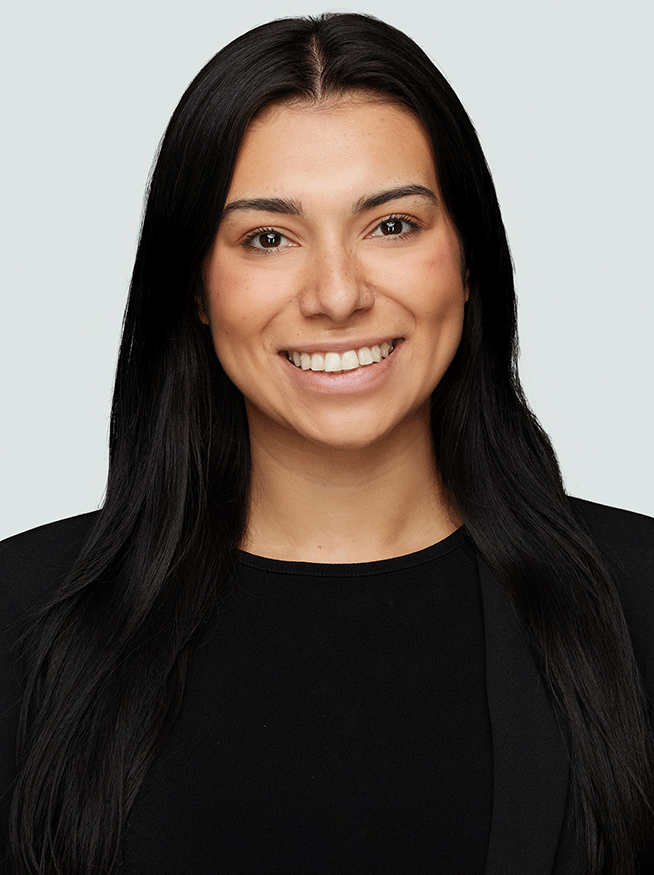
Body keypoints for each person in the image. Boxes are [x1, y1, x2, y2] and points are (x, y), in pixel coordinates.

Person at [0, 12, 652, 875]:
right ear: (195, 288)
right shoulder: (21, 620)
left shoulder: (640, 596)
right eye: (268, 238)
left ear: (468, 260)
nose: (337, 295)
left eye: (393, 225)